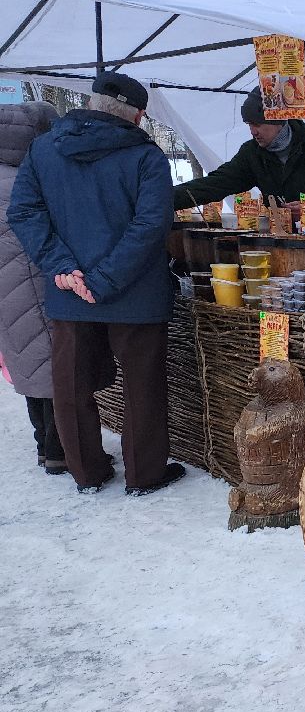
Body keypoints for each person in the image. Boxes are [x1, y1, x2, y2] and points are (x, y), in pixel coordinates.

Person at [6, 71, 185, 496]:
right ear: (137, 116)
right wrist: (103, 280)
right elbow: (151, 225)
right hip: (135, 294)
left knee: (70, 385)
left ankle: (85, 471)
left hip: (69, 293)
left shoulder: (44, 149)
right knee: (142, 384)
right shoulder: (146, 156)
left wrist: (63, 268)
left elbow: (24, 212)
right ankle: (144, 475)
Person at [172, 86, 305, 222]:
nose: (253, 131)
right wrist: (164, 198)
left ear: (278, 121)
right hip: (280, 243)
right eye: (249, 125)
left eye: (257, 124)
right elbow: (215, 184)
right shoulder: (252, 154)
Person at [0, 100, 68, 474]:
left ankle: (44, 443)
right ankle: (60, 450)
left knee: (27, 361)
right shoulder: (33, 176)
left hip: (5, 288)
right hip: (39, 279)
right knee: (55, 363)